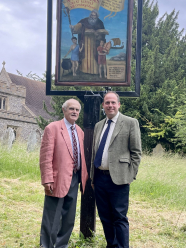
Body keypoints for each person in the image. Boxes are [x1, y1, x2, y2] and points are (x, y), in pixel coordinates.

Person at [90, 92, 142, 248]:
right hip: (100, 178)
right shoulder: (99, 125)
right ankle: (111, 245)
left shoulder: (130, 123)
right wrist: (93, 178)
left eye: (113, 102)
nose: (110, 105)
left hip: (119, 178)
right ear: (103, 105)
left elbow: (136, 152)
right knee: (105, 217)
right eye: (107, 103)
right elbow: (94, 151)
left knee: (119, 217)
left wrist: (130, 176)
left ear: (119, 104)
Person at [39, 99, 88, 248]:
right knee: (52, 217)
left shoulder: (79, 131)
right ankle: (46, 245)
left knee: (69, 218)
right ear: (64, 110)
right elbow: (46, 156)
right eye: (71, 109)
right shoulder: (52, 128)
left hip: (75, 178)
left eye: (77, 110)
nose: (74, 112)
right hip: (57, 179)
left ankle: (61, 245)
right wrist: (47, 179)